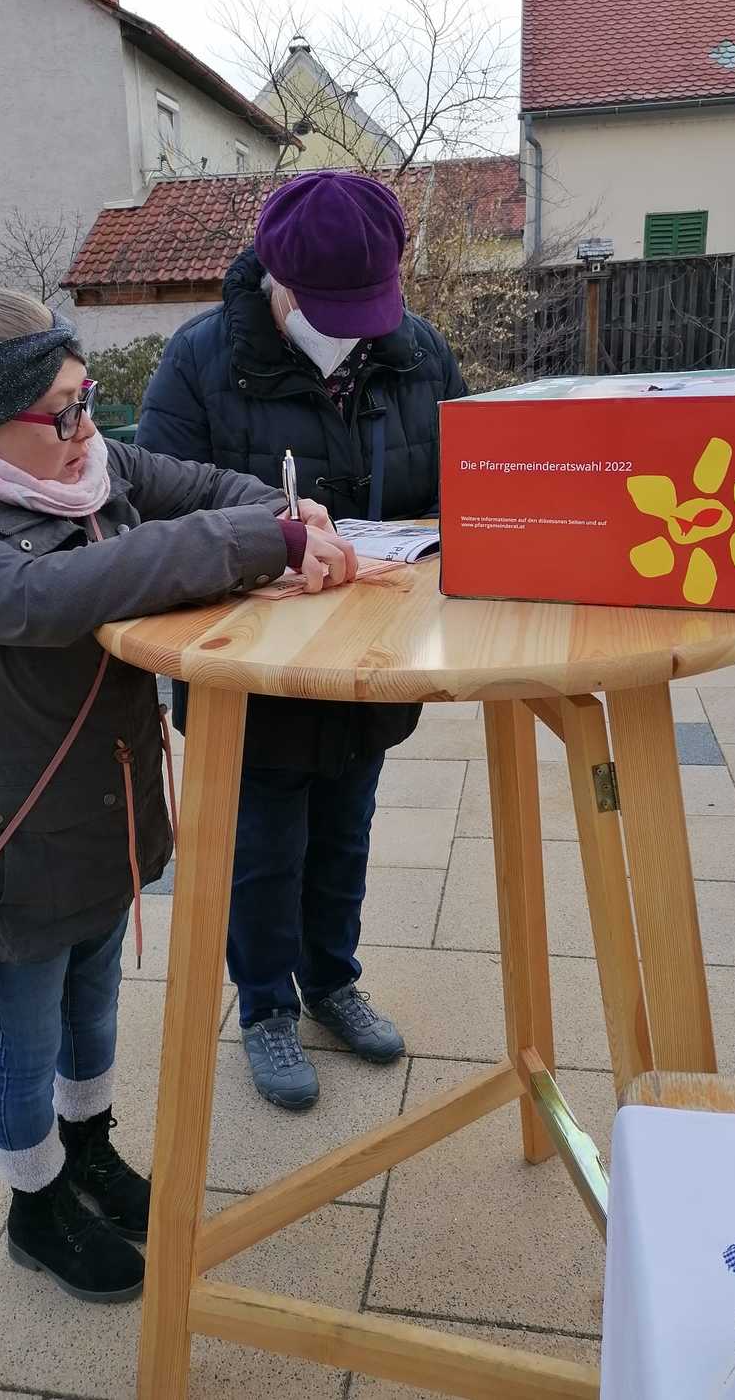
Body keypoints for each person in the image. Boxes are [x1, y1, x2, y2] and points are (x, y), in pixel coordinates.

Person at [0, 286, 355, 1304]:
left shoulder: (80, 465)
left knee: (95, 1004)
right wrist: (260, 544)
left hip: (107, 802)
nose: (88, 432)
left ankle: (90, 1151)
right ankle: (36, 1204)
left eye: (87, 401)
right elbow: (47, 597)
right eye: (63, 412)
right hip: (10, 829)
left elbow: (197, 483)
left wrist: (282, 509)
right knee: (24, 1037)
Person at [137, 171, 466, 1112]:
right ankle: (265, 1007)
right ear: (276, 280)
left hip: (370, 659)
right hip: (253, 665)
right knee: (262, 849)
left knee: (345, 834)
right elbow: (155, 511)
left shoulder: (417, 352)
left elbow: (465, 487)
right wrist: (263, 551)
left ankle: (331, 981)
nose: (351, 331)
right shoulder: (200, 360)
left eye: (367, 307)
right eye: (329, 309)